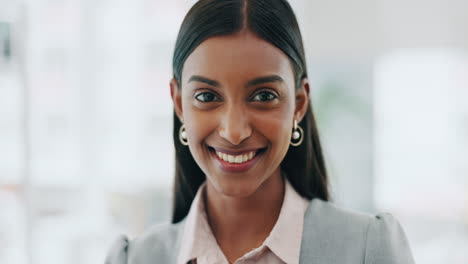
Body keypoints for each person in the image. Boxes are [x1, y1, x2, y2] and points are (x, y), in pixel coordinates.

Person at [105, 0, 415, 263]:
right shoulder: (135, 258)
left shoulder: (367, 250)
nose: (234, 132)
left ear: (299, 103)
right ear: (178, 103)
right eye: (207, 97)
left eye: (264, 96)